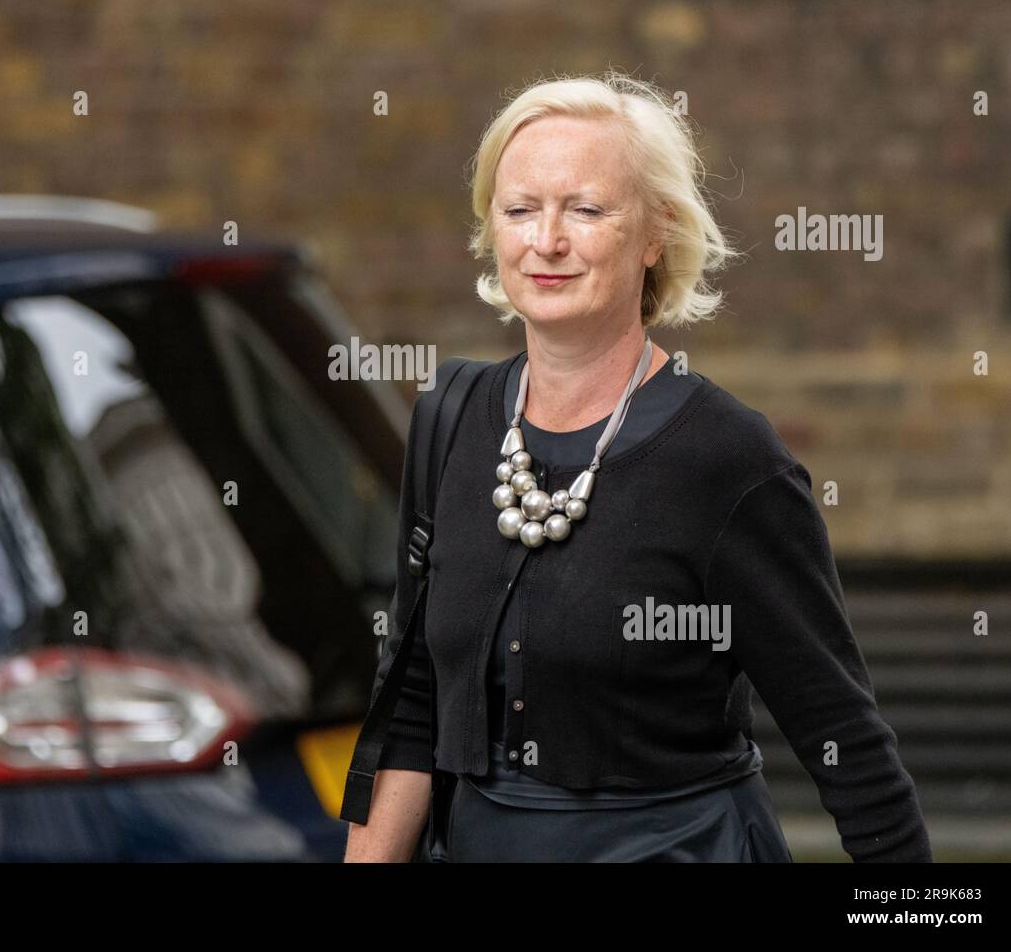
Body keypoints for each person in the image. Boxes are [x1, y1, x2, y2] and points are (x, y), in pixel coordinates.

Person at [342, 71, 931, 863]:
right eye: (520, 210)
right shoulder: (450, 418)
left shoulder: (726, 459)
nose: (546, 241)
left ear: (656, 234)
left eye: (586, 210)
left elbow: (844, 740)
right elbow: (411, 694)